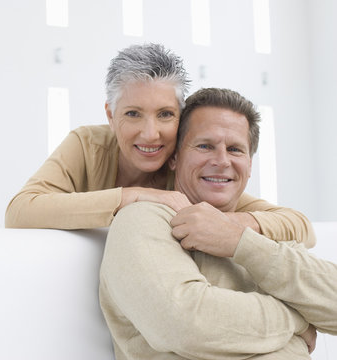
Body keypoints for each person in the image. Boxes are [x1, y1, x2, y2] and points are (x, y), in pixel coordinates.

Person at [99, 88, 337, 360]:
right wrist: (298, 320)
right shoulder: (142, 220)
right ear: (174, 157)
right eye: (205, 146)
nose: (222, 161)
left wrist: (240, 242)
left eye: (235, 149)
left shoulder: (261, 230)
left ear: (249, 165)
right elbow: (185, 325)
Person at [4, 43, 315, 250]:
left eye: (165, 115)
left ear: (180, 118)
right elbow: (19, 212)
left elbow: (300, 226)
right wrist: (134, 196)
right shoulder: (87, 145)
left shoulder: (188, 172)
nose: (151, 134)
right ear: (111, 116)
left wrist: (227, 225)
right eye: (132, 114)